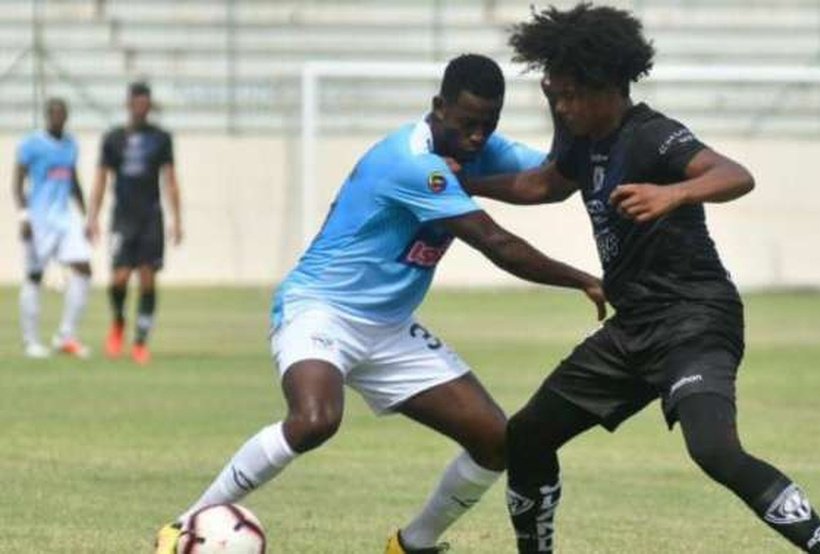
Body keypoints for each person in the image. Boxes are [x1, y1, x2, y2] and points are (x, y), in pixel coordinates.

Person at [154, 54, 605, 554]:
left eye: (488, 125)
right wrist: (582, 279)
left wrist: (559, 111)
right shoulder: (409, 161)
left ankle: (412, 544)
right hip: (321, 307)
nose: (478, 137)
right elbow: (495, 243)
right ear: (438, 107)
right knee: (314, 420)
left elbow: (550, 182)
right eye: (467, 124)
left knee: (497, 441)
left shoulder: (478, 149)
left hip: (389, 328)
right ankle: (185, 526)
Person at [462, 5, 820, 552]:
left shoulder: (651, 135)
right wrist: (467, 187)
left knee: (714, 451)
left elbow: (735, 175)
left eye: (573, 95)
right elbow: (544, 185)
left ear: (608, 86)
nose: (564, 106)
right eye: (559, 95)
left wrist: (673, 193)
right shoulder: (582, 137)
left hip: (694, 318)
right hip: (632, 329)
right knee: (526, 436)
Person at [86, 82, 182, 365]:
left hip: (151, 216)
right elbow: (101, 178)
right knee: (120, 277)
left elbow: (171, 179)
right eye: (136, 102)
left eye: (145, 103)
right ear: (129, 104)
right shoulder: (113, 138)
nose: (141, 107)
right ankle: (118, 322)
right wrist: (93, 216)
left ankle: (140, 341)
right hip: (122, 217)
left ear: (149, 106)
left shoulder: (161, 138)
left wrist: (177, 219)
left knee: (148, 279)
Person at [12, 98, 92, 359]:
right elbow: (17, 181)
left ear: (66, 117)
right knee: (34, 276)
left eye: (62, 114)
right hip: (39, 220)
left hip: (65, 219)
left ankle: (65, 336)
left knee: (83, 267)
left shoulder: (71, 145)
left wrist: (86, 216)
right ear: (47, 117)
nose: (58, 118)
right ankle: (31, 341)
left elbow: (73, 181)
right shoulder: (31, 144)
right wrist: (23, 216)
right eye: (54, 114)